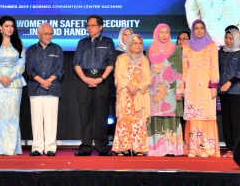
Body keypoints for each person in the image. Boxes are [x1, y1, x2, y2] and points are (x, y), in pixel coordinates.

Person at [73, 16, 116, 156]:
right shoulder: (82, 42)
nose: (89, 27)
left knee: (101, 115)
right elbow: (76, 63)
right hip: (83, 79)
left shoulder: (108, 42)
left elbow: (111, 62)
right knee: (85, 115)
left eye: (93, 25)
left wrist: (101, 78)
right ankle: (85, 147)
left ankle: (102, 147)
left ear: (100, 27)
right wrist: (84, 78)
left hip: (102, 79)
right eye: (88, 25)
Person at [0, 16, 26, 155]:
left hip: (14, 84)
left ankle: (11, 148)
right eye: (7, 26)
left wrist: (10, 77)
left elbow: (21, 64)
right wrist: (1, 77)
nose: (10, 28)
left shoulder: (19, 43)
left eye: (12, 26)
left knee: (13, 116)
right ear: (0, 28)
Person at [181, 19, 219, 157]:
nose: (198, 30)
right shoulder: (186, 46)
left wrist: (214, 86)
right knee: (193, 116)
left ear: (205, 29)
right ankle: (193, 148)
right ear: (193, 30)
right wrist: (182, 87)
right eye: (196, 28)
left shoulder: (212, 46)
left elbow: (214, 66)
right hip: (191, 86)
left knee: (205, 116)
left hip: (206, 87)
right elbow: (184, 68)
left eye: (201, 28)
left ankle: (206, 149)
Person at [26, 23, 64, 156]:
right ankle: (37, 147)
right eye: (46, 34)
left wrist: (49, 81)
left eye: (51, 34)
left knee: (51, 120)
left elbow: (60, 70)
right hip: (35, 88)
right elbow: (29, 70)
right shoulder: (31, 50)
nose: (49, 36)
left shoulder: (57, 49)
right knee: (36, 120)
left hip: (53, 87)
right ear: (38, 34)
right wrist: (42, 81)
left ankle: (50, 148)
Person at [147, 23, 185, 156]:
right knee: (155, 118)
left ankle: (171, 149)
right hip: (154, 90)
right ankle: (156, 149)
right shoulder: (150, 49)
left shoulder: (176, 49)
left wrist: (180, 90)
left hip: (171, 89)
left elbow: (179, 70)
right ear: (157, 33)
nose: (164, 35)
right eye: (161, 32)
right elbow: (148, 70)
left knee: (170, 117)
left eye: (166, 32)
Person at [112, 34, 151, 156]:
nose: (138, 46)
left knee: (139, 120)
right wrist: (129, 85)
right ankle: (123, 147)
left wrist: (138, 87)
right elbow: (118, 76)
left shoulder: (145, 60)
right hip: (125, 94)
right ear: (129, 45)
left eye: (140, 43)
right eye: (135, 43)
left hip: (139, 95)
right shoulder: (121, 58)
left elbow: (148, 78)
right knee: (124, 120)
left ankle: (138, 147)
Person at [218, 27, 240, 155]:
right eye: (226, 38)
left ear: (236, 39)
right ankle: (230, 148)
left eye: (231, 38)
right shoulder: (221, 52)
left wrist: (229, 83)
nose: (228, 40)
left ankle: (238, 149)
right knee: (226, 121)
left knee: (236, 121)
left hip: (237, 91)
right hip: (224, 92)